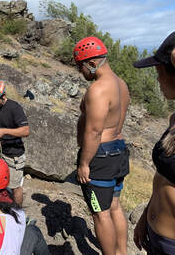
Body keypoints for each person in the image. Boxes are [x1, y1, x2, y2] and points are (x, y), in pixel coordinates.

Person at [74, 37, 130, 255]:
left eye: (81, 67)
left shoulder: (98, 89)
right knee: (114, 205)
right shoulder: (121, 84)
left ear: (91, 63)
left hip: (101, 157)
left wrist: (84, 163)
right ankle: (121, 252)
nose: (81, 72)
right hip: (119, 151)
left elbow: (95, 131)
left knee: (100, 213)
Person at [132, 31, 175, 255]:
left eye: (160, 72)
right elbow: (162, 178)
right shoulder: (174, 120)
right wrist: (144, 218)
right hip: (155, 234)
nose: (157, 80)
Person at [0, 79, 29, 206]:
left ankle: (18, 213)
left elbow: (25, 131)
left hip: (13, 154)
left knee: (15, 186)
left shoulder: (14, 107)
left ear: (4, 96)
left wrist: (4, 131)